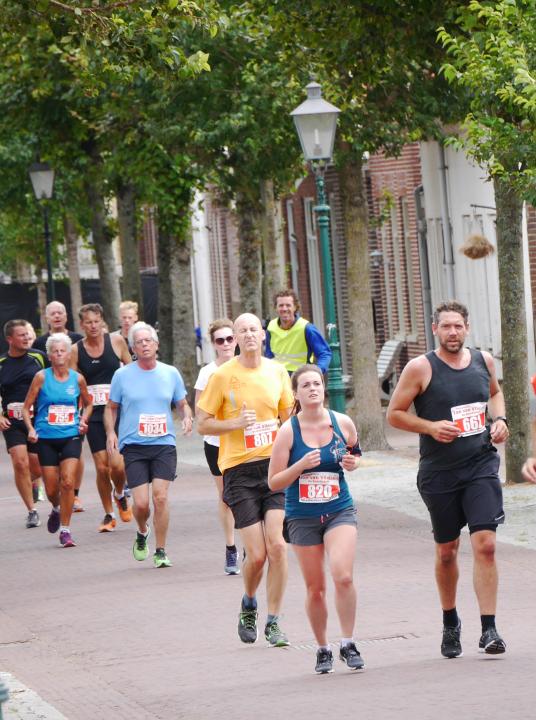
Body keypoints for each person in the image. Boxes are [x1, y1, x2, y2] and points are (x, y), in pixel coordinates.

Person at [387, 300, 509, 658]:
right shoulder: (420, 368)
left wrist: (500, 421)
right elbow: (395, 414)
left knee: (485, 544)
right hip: (439, 472)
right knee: (446, 552)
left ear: (467, 328)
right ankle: (450, 621)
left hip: (481, 465)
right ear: (435, 329)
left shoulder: (483, 361)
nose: (453, 332)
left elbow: (495, 393)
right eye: (446, 327)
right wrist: (429, 426)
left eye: (458, 326)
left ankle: (489, 629)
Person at [197, 313, 294, 647]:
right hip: (238, 469)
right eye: (243, 331)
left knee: (278, 546)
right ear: (235, 338)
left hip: (273, 467)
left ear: (262, 335)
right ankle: (250, 602)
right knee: (257, 555)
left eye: (254, 329)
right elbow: (203, 423)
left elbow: (287, 418)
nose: (249, 335)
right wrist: (235, 423)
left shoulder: (277, 371)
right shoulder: (223, 376)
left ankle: (274, 621)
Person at [268, 364, 363, 673]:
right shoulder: (288, 431)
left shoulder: (343, 422)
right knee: (316, 588)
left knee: (343, 575)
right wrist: (300, 467)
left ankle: (348, 642)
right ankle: (322, 647)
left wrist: (352, 462)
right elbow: (274, 482)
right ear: (296, 393)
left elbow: (354, 453)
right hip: (302, 516)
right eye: (306, 385)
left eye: (317, 383)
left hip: (339, 509)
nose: (313, 388)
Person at [104, 322, 193, 568]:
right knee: (141, 504)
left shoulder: (170, 372)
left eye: (148, 341)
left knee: (161, 498)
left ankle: (161, 550)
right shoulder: (122, 375)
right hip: (134, 445)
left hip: (164, 444)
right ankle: (142, 530)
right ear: (132, 348)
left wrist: (186, 415)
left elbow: (182, 402)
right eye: (139, 342)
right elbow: (111, 408)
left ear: (156, 345)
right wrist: (111, 432)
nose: (144, 345)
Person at [22, 334, 93, 548]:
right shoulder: (41, 377)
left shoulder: (77, 378)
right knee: (52, 489)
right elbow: (26, 408)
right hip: (46, 437)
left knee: (68, 482)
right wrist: (31, 429)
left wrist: (83, 420)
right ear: (50, 355)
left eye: (63, 350)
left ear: (69, 354)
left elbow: (88, 404)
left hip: (71, 435)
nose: (59, 354)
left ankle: (66, 530)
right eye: (55, 351)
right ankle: (55, 507)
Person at [70, 303, 133, 532]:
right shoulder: (76, 350)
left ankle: (120, 493)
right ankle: (108, 514)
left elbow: (131, 369)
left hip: (117, 410)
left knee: (117, 464)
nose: (93, 326)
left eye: (96, 321)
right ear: (82, 324)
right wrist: (77, 415)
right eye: (88, 322)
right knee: (101, 467)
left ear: (102, 321)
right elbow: (72, 383)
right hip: (94, 413)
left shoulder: (116, 342)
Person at [195, 319, 240, 575]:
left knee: (246, 495)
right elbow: (202, 410)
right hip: (216, 442)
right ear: (213, 344)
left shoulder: (245, 367)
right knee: (226, 496)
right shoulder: (207, 372)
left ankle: (251, 546)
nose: (225, 344)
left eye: (229, 339)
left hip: (242, 441)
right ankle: (230, 547)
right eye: (219, 340)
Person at [33, 301, 86, 511]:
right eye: (52, 313)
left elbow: (82, 371)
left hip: (71, 401)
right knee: (51, 477)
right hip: (48, 407)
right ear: (47, 318)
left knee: (76, 452)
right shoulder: (39, 343)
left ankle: (75, 494)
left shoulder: (76, 341)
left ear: (66, 316)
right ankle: (55, 499)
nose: (56, 316)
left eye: (60, 312)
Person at [0, 320, 46, 528]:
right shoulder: (1, 363)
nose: (27, 338)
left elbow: (55, 379)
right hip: (13, 421)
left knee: (37, 467)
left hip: (38, 420)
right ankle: (32, 510)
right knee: (20, 463)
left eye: (28, 334)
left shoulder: (38, 357)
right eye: (21, 335)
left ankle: (34, 482)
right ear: (9, 339)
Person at [265, 289, 332, 374]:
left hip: (300, 379)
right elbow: (268, 355)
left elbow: (324, 353)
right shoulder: (271, 327)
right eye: (281, 305)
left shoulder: (307, 328)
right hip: (278, 379)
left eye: (288, 305)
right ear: (276, 308)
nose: (284, 309)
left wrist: (317, 372)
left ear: (295, 307)